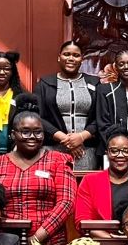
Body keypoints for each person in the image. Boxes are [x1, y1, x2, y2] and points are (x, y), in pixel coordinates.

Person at [0, 94, 78, 245]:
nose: (32, 137)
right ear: (13, 134)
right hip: (5, 244)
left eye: (38, 132)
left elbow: (66, 202)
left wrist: (36, 237)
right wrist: (9, 240)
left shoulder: (58, 160)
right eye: (25, 132)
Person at [73, 126, 128, 238]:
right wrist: (111, 239)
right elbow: (81, 221)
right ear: (107, 153)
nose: (120, 155)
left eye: (126, 151)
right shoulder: (89, 181)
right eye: (114, 151)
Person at [36, 40, 99, 171]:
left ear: (82, 59)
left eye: (76, 55)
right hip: (53, 148)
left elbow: (102, 116)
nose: (71, 58)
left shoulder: (95, 83)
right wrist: (66, 139)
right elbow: (38, 117)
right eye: (67, 54)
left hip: (85, 150)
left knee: (84, 187)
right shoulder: (44, 84)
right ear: (59, 57)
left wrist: (81, 137)